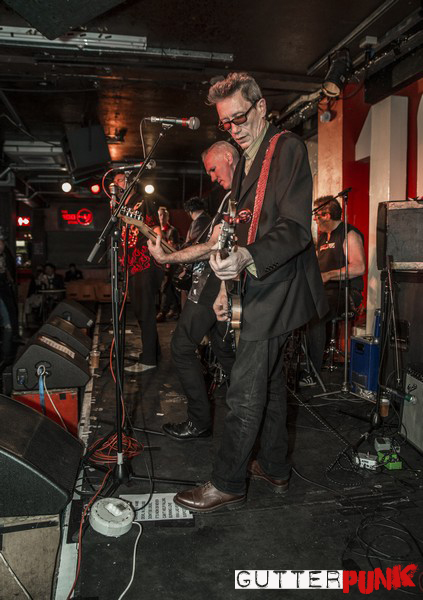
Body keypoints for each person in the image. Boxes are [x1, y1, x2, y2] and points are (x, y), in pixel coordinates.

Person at [168, 71, 327, 512]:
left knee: (244, 389)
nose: (233, 129)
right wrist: (225, 286)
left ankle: (228, 482)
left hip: (281, 287)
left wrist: (245, 258)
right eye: (225, 123)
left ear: (260, 108)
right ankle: (274, 467)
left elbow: (295, 228)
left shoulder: (286, 147)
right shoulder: (245, 161)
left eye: (239, 118)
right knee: (271, 382)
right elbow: (239, 231)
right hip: (257, 284)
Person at [148, 141, 239, 440]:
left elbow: (213, 247)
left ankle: (200, 421)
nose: (211, 177)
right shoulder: (230, 198)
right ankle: (246, 410)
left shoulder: (240, 195)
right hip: (215, 283)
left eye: (213, 169)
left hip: (214, 283)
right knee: (224, 350)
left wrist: (169, 257)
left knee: (181, 346)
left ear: (228, 157)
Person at [301, 195, 366, 386]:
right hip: (325, 293)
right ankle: (300, 364)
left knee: (315, 314)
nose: (314, 219)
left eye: (316, 215)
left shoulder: (349, 234)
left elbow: (359, 267)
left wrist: (328, 275)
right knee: (297, 307)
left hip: (347, 293)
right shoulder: (322, 238)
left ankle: (312, 373)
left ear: (327, 215)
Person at [114, 172, 163, 373]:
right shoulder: (121, 207)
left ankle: (149, 359)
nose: (116, 185)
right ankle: (153, 353)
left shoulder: (143, 201)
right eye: (114, 182)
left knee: (145, 311)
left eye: (119, 180)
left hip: (145, 263)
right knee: (140, 311)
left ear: (131, 182)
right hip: (132, 265)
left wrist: (159, 254)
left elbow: (155, 228)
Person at [156, 206, 180, 322]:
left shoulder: (172, 230)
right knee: (167, 287)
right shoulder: (157, 230)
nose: (162, 217)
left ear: (168, 217)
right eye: (160, 215)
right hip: (160, 262)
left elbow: (173, 246)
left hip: (170, 262)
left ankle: (163, 312)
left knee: (165, 287)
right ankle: (174, 309)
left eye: (164, 215)